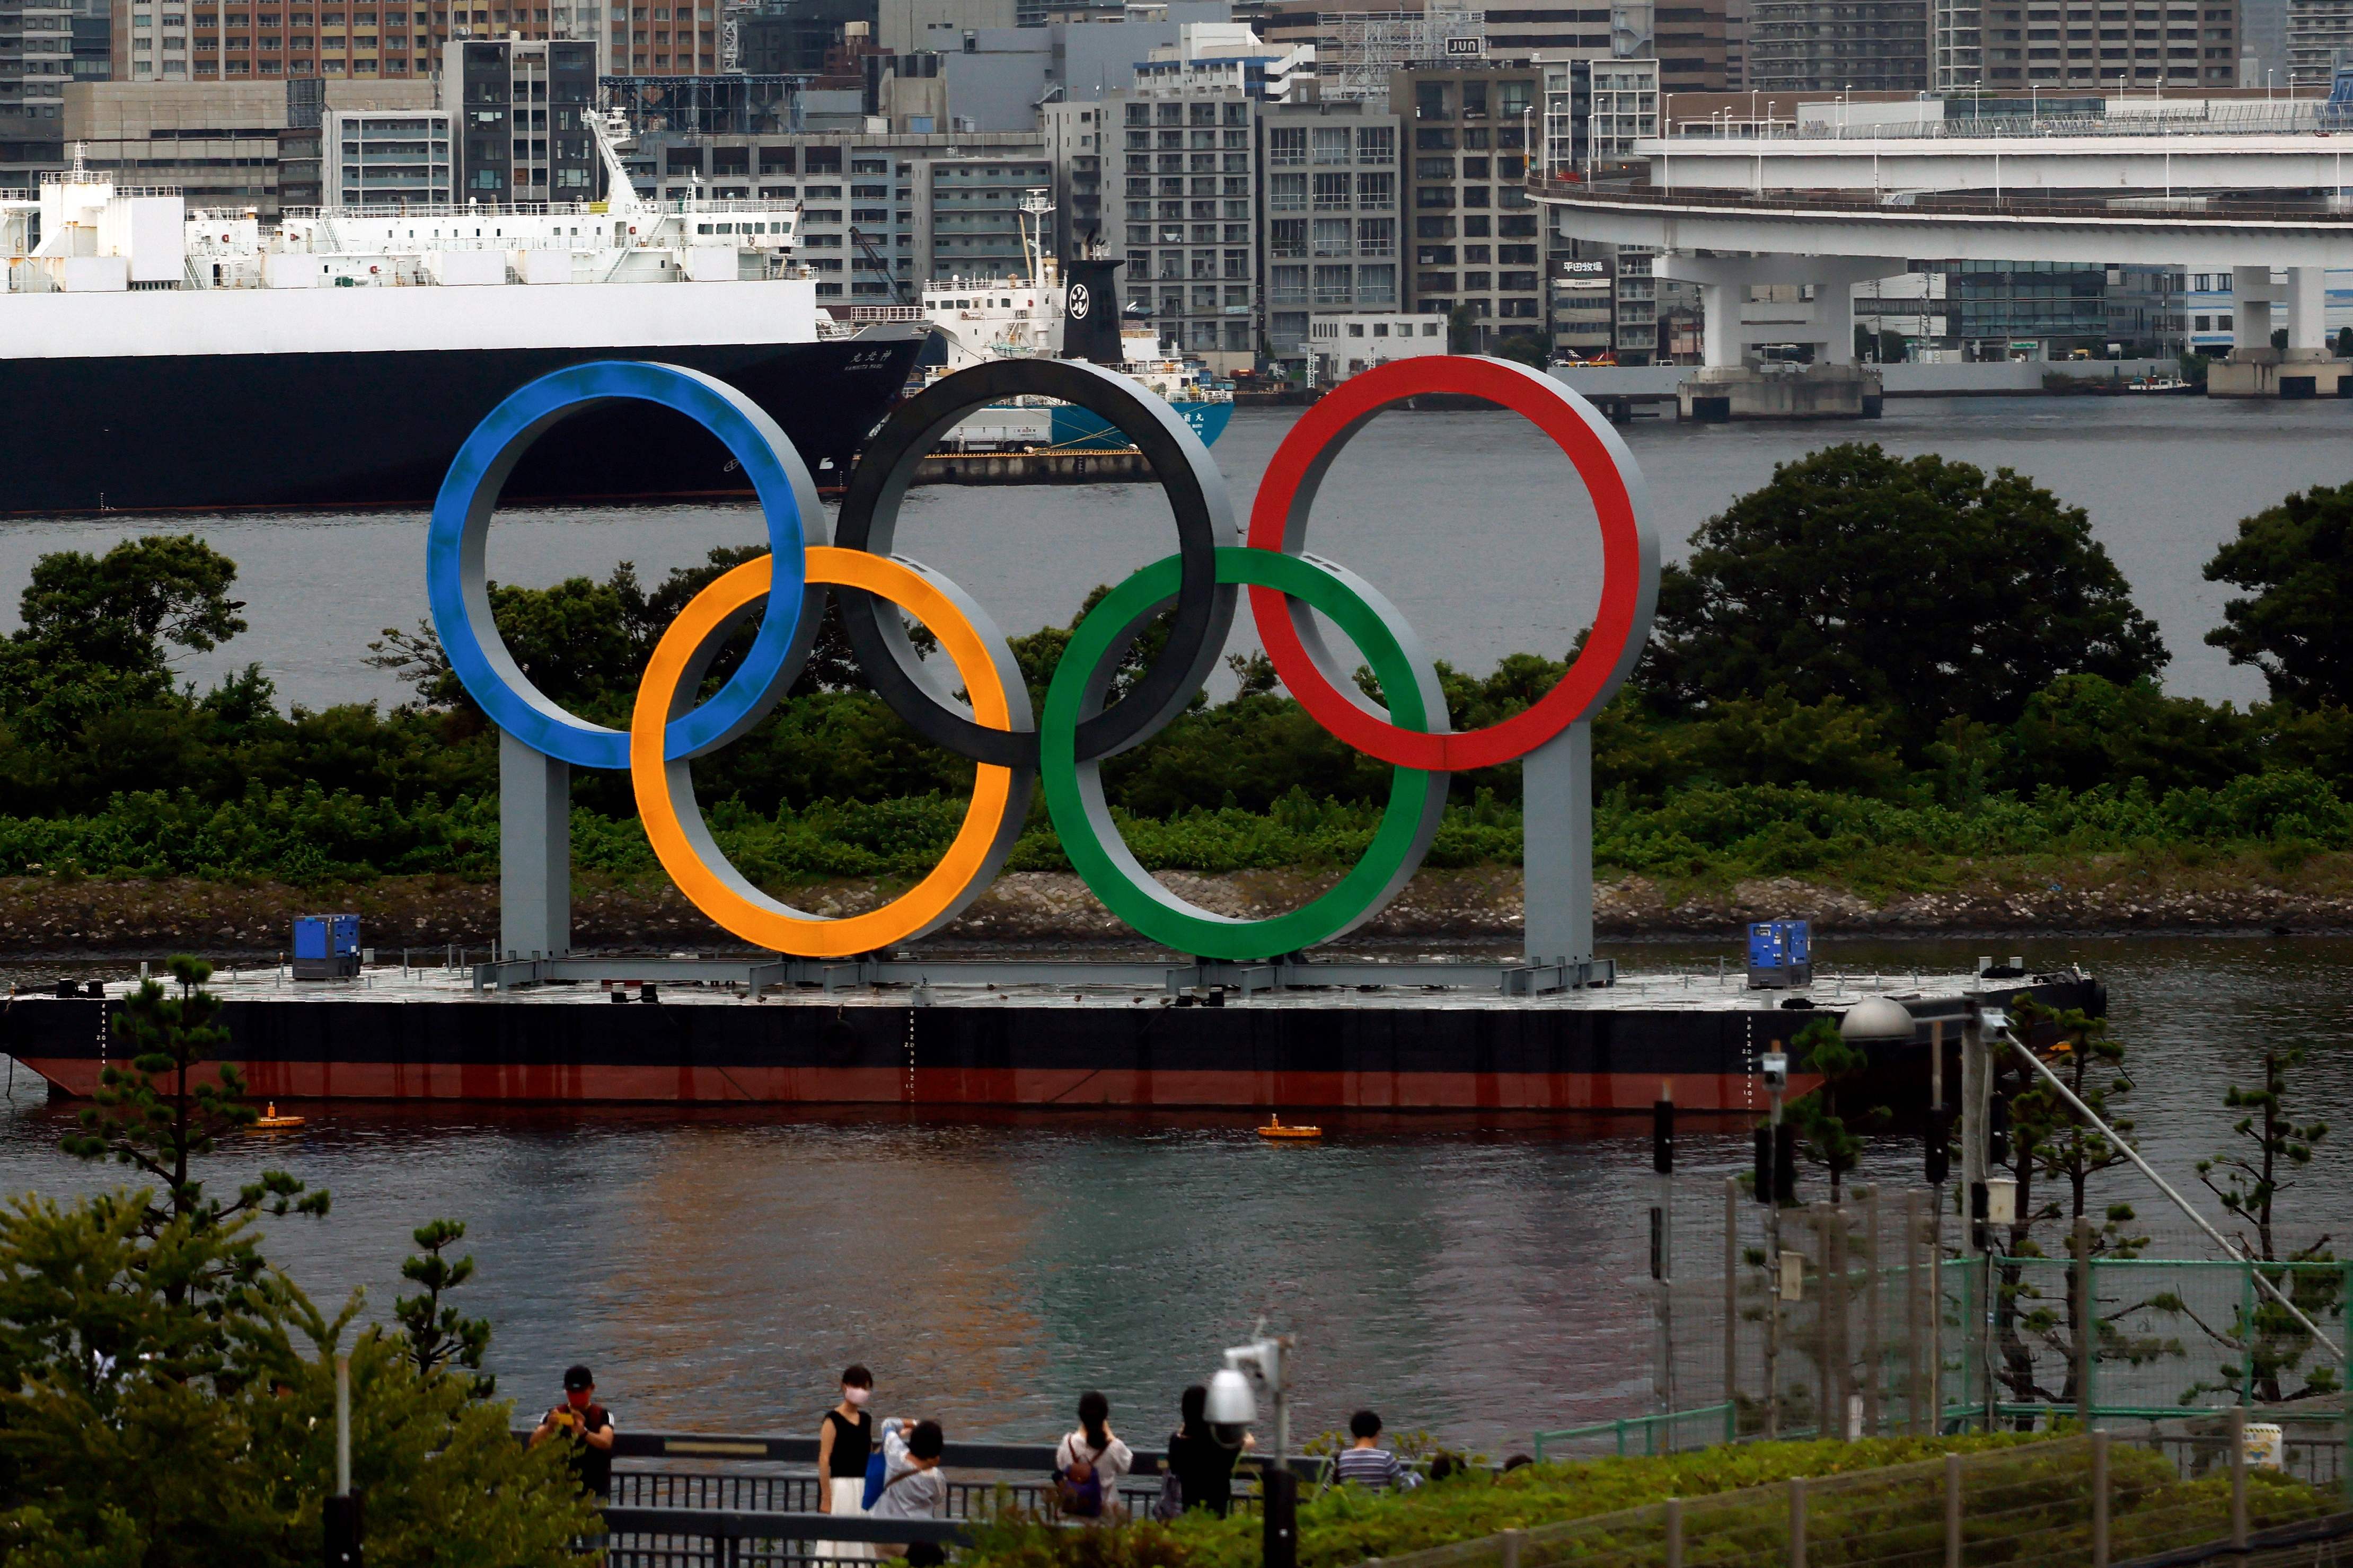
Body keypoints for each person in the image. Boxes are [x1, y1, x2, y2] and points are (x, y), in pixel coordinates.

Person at [530, 1364, 618, 1501]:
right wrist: (549, 1428)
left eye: (581, 1392)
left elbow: (606, 1441)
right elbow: (534, 1443)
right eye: (572, 1392)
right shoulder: (554, 1414)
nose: (576, 1397)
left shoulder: (602, 1415)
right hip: (561, 1488)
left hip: (595, 1490)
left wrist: (583, 1432)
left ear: (592, 1388)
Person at [816, 1365, 877, 1562]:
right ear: (844, 1387)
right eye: (857, 1386)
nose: (862, 1391)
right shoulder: (832, 1420)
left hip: (862, 1487)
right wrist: (826, 1497)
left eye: (866, 1387)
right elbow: (824, 1459)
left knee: (864, 1542)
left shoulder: (866, 1420)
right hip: (841, 1488)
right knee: (842, 1542)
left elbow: (868, 1454)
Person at [871, 1418, 950, 1566]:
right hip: (912, 1539)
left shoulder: (894, 1452)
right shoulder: (935, 1477)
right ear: (936, 1454)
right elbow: (938, 1499)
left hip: (880, 1532)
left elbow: (888, 1424)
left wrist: (916, 1424)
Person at [1162, 1384, 1248, 1518]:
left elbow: (1174, 1465)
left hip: (1189, 1507)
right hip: (1218, 1506)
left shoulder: (1177, 1442)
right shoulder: (1219, 1442)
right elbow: (1248, 1442)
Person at [1053, 1390, 1133, 1520]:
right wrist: (1110, 1435)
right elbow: (1126, 1466)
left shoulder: (1068, 1442)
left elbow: (1060, 1465)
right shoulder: (1114, 1446)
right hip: (1105, 1517)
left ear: (1081, 1416)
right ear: (1105, 1416)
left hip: (1072, 1515)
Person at [1333, 1410, 1418, 1493]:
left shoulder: (1341, 1459)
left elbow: (1326, 1491)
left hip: (1350, 1506)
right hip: (1381, 1507)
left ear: (1353, 1434)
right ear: (1378, 1432)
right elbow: (1404, 1487)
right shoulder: (1385, 1458)